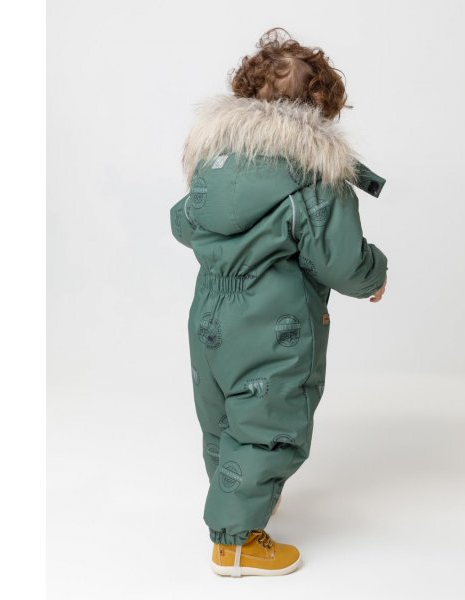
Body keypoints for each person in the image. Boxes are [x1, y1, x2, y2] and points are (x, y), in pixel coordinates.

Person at [169, 27, 389, 577]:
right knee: (270, 424)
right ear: (322, 108)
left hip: (209, 320)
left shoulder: (214, 162)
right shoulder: (315, 174)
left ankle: (240, 500)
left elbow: (182, 223)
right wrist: (375, 272)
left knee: (222, 418)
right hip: (275, 324)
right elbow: (338, 258)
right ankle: (237, 543)